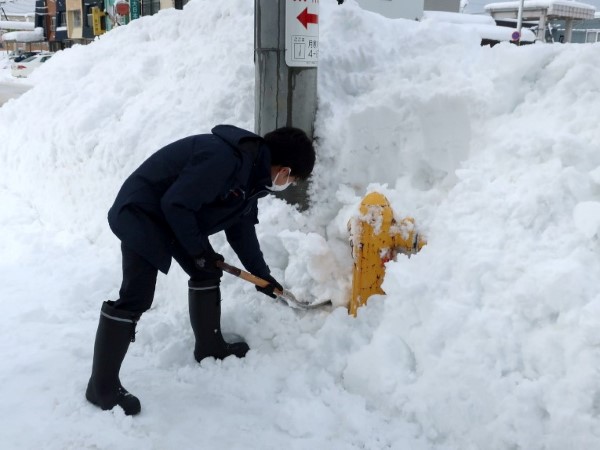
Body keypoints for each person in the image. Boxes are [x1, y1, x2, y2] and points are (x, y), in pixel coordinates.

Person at [85, 124, 315, 416]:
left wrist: (262, 275)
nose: (289, 184)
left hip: (170, 218)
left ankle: (209, 346)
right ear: (283, 169)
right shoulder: (224, 159)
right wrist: (199, 251)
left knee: (206, 272)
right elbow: (176, 203)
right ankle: (101, 386)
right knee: (137, 296)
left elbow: (241, 228)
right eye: (292, 179)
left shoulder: (253, 177)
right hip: (141, 212)